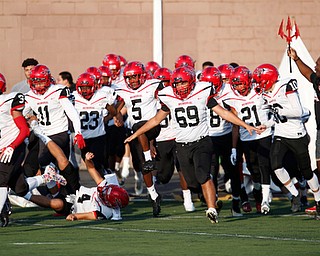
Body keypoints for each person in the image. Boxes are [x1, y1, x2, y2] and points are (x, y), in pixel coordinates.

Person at [124, 66, 260, 224]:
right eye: (177, 84)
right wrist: (136, 134)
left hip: (202, 142)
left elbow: (222, 112)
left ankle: (211, 209)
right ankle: (213, 201)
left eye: (183, 83)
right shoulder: (168, 97)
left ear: (191, 83)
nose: (180, 87)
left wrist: (245, 125)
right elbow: (155, 120)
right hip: (182, 145)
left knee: (203, 175)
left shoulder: (202, 92)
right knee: (193, 183)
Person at [253, 63, 320, 219]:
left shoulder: (285, 85)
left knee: (307, 173)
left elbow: (298, 111)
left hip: (297, 134)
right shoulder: (266, 93)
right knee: (275, 164)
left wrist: (278, 110)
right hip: (281, 134)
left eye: (260, 80)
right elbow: (277, 118)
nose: (258, 83)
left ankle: (318, 201)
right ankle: (295, 194)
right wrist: (267, 124)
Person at [24, 121, 129, 221]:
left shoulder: (106, 212)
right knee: (64, 162)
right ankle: (42, 135)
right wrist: (88, 161)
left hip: (72, 206)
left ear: (110, 203)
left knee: (57, 204)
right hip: (76, 190)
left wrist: (75, 216)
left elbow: (90, 215)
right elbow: (92, 169)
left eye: (105, 194)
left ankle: (24, 193)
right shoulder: (106, 186)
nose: (103, 191)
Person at [0, 73, 66, 227]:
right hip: (5, 147)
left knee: (1, 180)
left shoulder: (8, 101)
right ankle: (45, 179)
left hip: (12, 148)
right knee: (20, 188)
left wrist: (12, 146)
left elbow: (24, 129)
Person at [23, 64, 85, 192]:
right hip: (43, 135)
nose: (38, 85)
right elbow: (22, 113)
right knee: (46, 165)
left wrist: (78, 132)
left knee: (58, 164)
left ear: (47, 80)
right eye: (36, 82)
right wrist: (28, 118)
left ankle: (75, 191)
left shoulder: (58, 90)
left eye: (41, 82)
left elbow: (72, 112)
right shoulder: (29, 96)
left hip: (60, 133)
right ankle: (61, 197)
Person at [115, 61, 162, 217]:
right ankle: (154, 195)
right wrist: (118, 115)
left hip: (153, 126)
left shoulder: (153, 84)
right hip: (137, 134)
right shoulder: (123, 89)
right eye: (130, 78)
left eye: (135, 77)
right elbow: (119, 106)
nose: (133, 80)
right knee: (143, 166)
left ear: (142, 76)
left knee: (139, 126)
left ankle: (149, 157)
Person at [199, 66, 243, 217]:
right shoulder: (199, 92)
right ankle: (214, 200)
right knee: (211, 172)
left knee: (232, 171)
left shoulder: (229, 92)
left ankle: (236, 201)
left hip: (225, 136)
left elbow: (235, 120)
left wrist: (233, 147)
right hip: (207, 137)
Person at [153, 67, 195, 212]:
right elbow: (152, 122)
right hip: (161, 139)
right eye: (160, 82)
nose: (163, 85)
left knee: (183, 169)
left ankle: (187, 199)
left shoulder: (176, 96)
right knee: (163, 176)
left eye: (165, 82)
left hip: (178, 137)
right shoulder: (151, 99)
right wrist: (151, 143)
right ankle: (152, 191)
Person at [287, 47, 320, 214]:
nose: (316, 66)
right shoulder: (318, 81)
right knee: (319, 166)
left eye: (319, 64)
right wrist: (297, 59)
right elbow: (308, 73)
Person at [72, 72, 117, 176]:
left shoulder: (101, 96)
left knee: (99, 165)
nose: (84, 91)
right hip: (82, 138)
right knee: (85, 164)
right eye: (82, 88)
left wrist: (105, 116)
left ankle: (107, 185)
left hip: (98, 137)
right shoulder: (74, 98)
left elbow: (113, 112)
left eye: (87, 87)